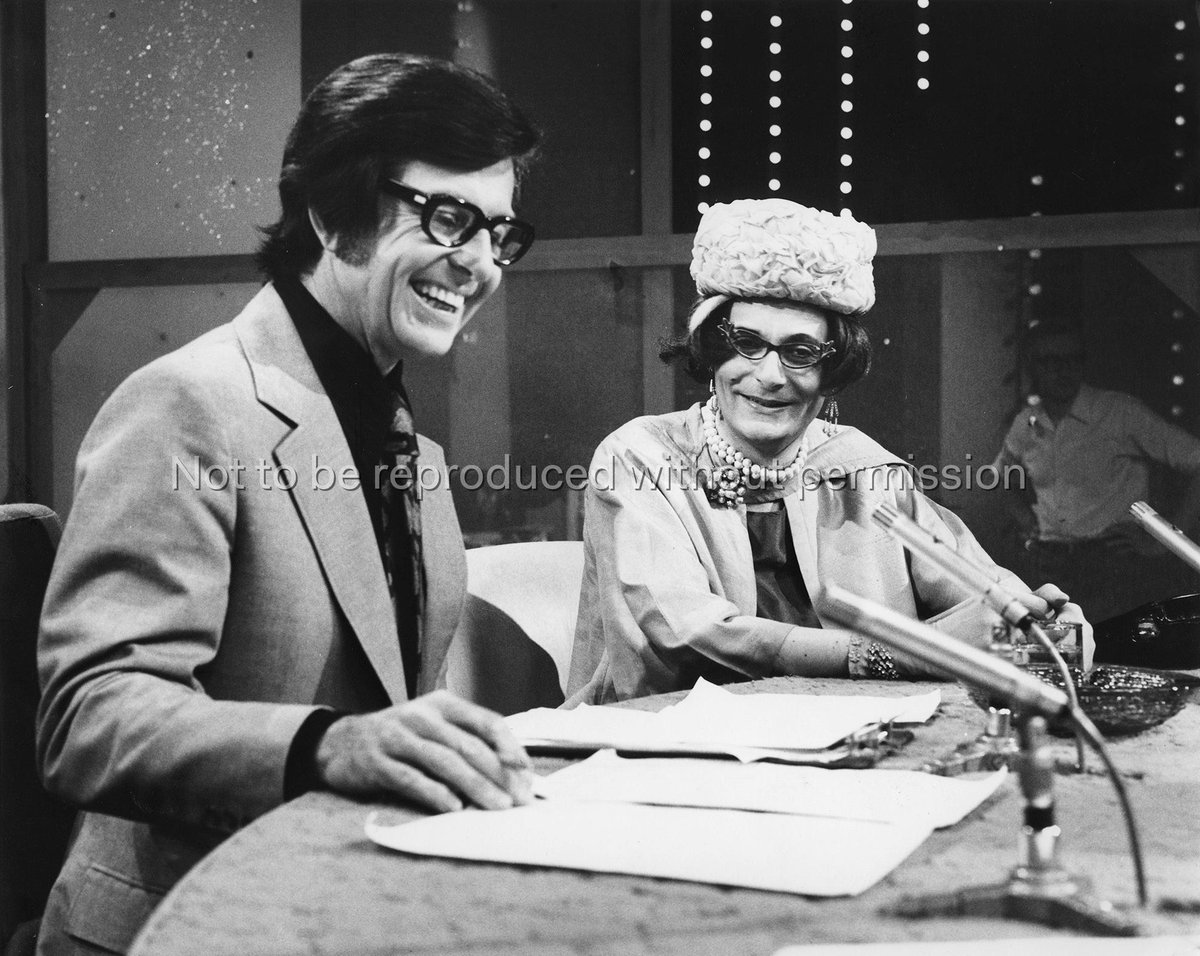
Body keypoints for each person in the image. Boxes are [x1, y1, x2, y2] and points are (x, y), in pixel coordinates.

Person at [35, 54, 540, 956]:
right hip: (179, 927)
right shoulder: (188, 401)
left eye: (498, 232)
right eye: (448, 217)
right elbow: (91, 717)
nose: (478, 264)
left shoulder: (411, 449)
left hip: (335, 911)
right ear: (332, 213)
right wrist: (326, 748)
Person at [566, 199, 1089, 705]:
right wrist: (902, 652)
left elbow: (979, 588)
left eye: (800, 352)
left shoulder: (863, 467)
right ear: (711, 352)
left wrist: (1036, 623)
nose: (770, 376)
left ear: (833, 372)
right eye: (746, 342)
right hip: (668, 737)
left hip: (854, 737)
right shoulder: (639, 458)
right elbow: (687, 637)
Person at [993, 322, 1200, 623]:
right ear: (1032, 367)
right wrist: (1027, 524)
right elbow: (999, 477)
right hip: (1050, 564)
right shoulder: (1027, 422)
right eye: (1050, 361)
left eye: (1072, 359)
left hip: (1110, 566)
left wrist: (1162, 542)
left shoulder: (1119, 411)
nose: (1063, 370)